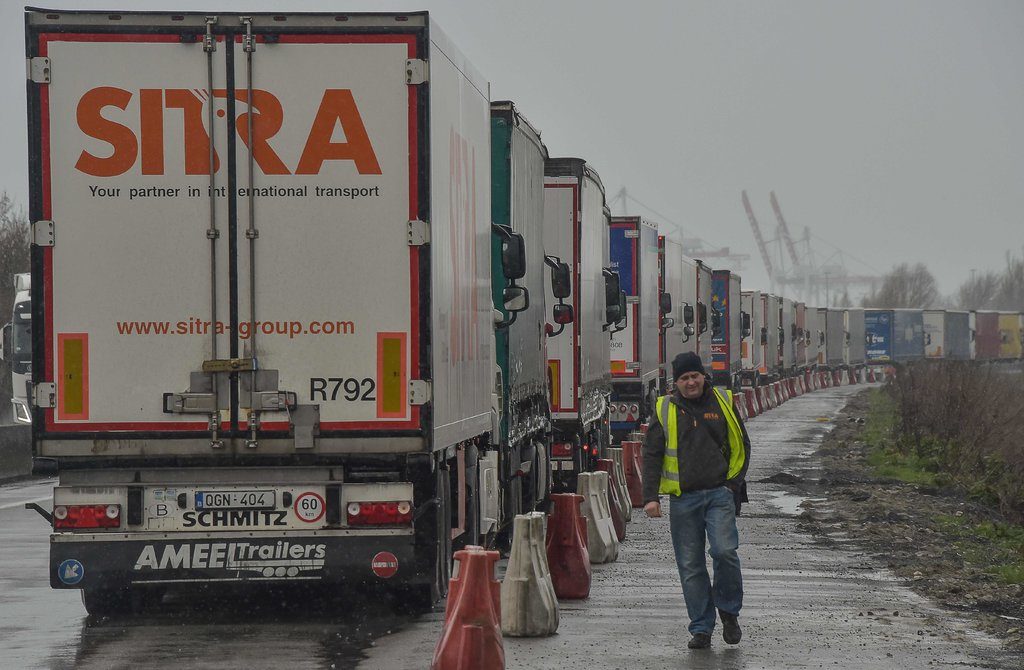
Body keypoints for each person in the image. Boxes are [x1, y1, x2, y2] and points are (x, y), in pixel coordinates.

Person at [642, 351, 751, 650]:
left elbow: (742, 445)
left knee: (725, 551)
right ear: (675, 382)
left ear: (703, 376)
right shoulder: (665, 408)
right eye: (684, 378)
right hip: (683, 499)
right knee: (690, 566)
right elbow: (651, 454)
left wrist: (732, 485)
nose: (690, 382)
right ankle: (701, 628)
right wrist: (650, 497)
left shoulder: (723, 402)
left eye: (694, 376)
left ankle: (729, 611)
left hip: (719, 494)